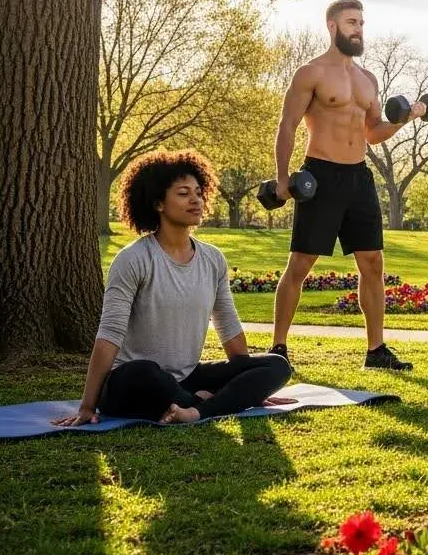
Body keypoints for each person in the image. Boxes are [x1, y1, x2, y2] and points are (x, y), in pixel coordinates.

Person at [54, 151, 292, 428]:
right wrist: (87, 407)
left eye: (199, 193)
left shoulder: (213, 259)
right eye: (183, 193)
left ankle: (194, 408)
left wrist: (250, 382)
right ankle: (208, 402)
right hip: (133, 382)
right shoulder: (133, 259)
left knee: (276, 365)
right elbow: (109, 335)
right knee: (146, 373)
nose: (196, 200)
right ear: (158, 203)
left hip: (186, 377)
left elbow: (228, 324)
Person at [269, 0, 427, 371]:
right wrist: (281, 177)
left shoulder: (367, 79)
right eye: (351, 22)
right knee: (300, 264)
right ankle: (278, 348)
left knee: (372, 263)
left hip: (359, 178)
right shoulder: (311, 73)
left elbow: (373, 133)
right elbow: (287, 125)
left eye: (361, 23)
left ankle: (376, 351)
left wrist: (407, 118)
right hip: (320, 175)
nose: (358, 29)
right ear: (332, 27)